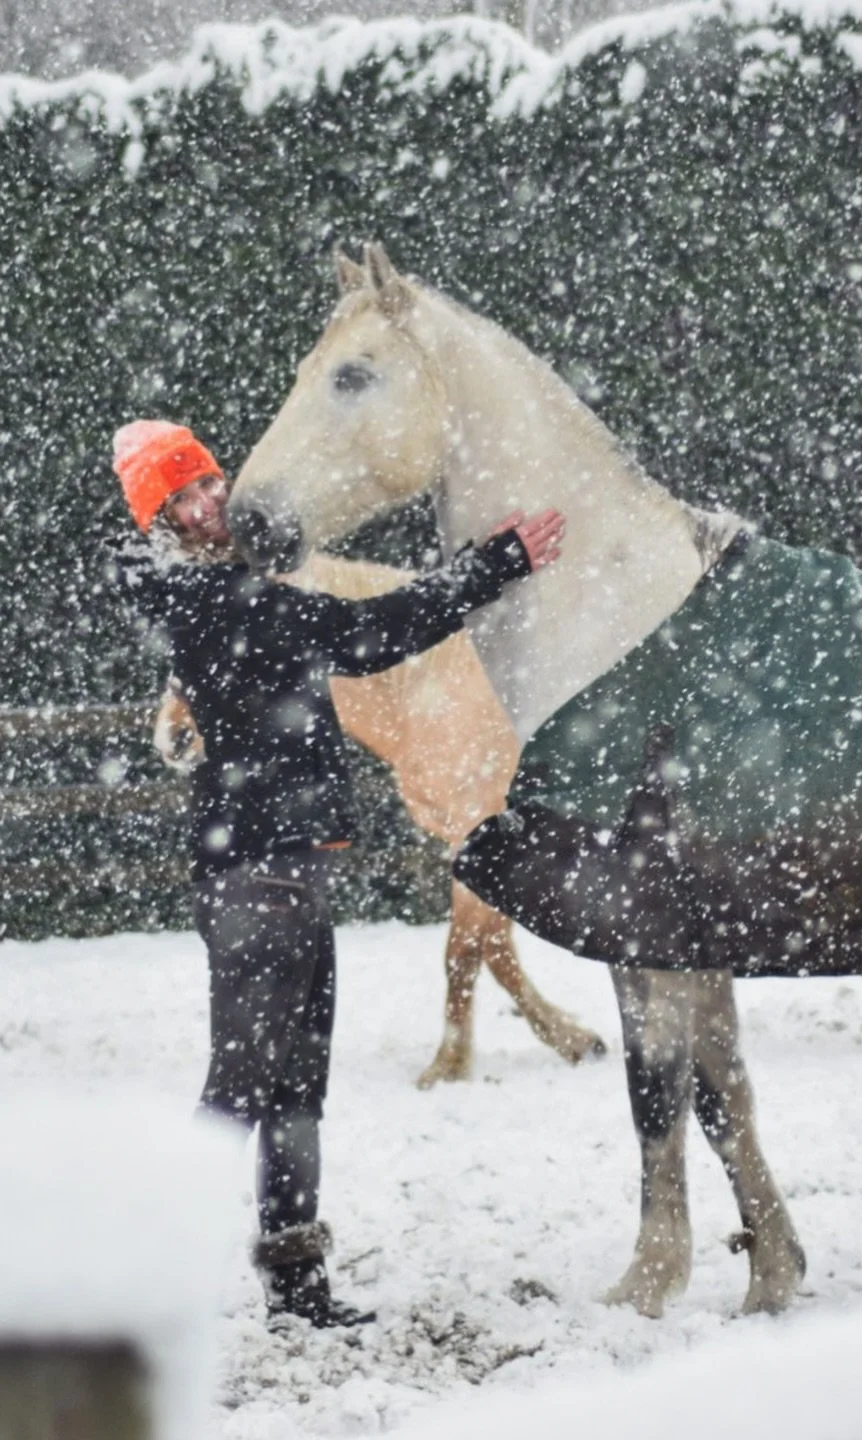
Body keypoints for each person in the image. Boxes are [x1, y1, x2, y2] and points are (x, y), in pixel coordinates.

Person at [105, 419, 563, 1327]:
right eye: (184, 498)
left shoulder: (231, 587)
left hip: (293, 873)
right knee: (239, 1089)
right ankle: (143, 1289)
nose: (211, 502)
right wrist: (496, 562)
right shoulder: (219, 604)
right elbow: (372, 635)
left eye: (212, 482)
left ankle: (299, 1288)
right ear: (161, 522)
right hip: (253, 880)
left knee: (296, 1091)